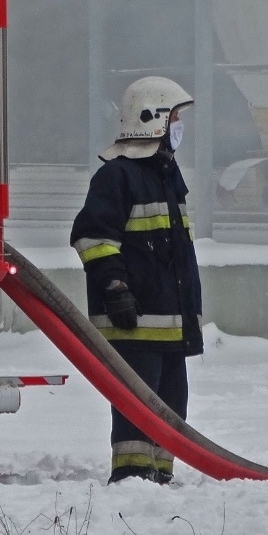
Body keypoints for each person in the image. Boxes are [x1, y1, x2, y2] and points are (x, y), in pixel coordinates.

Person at [70, 76, 203, 484]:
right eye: (174, 118)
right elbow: (93, 238)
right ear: (152, 120)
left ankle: (159, 478)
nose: (179, 126)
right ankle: (131, 479)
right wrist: (115, 289)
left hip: (168, 326)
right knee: (137, 411)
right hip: (135, 322)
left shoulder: (166, 176)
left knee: (171, 408)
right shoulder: (117, 177)